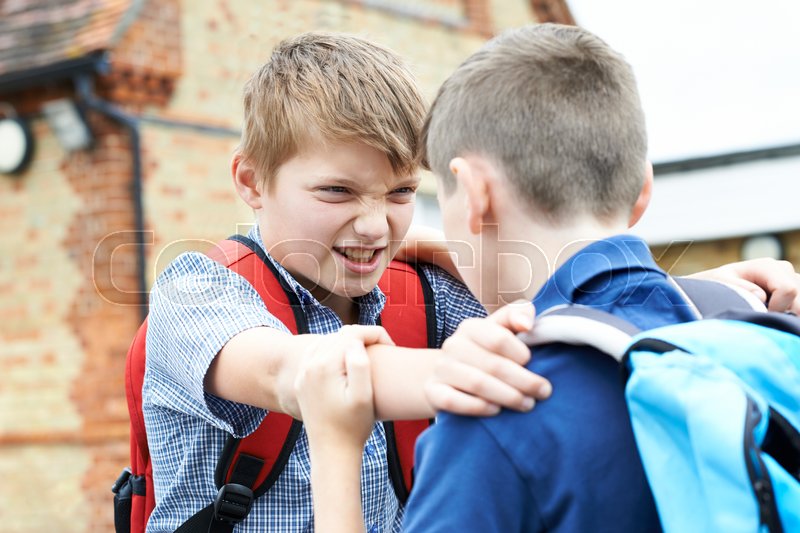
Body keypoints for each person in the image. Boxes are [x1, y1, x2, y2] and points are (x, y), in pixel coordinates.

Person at [295, 23, 800, 533]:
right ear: (642, 189)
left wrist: (335, 445)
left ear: (473, 195)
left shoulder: (500, 410)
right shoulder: (752, 337)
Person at [143, 31, 553, 533]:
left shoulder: (426, 291)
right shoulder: (196, 293)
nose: (376, 226)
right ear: (252, 182)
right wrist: (476, 373)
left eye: (401, 192)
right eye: (338, 191)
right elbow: (293, 372)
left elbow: (548, 310)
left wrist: (447, 247)